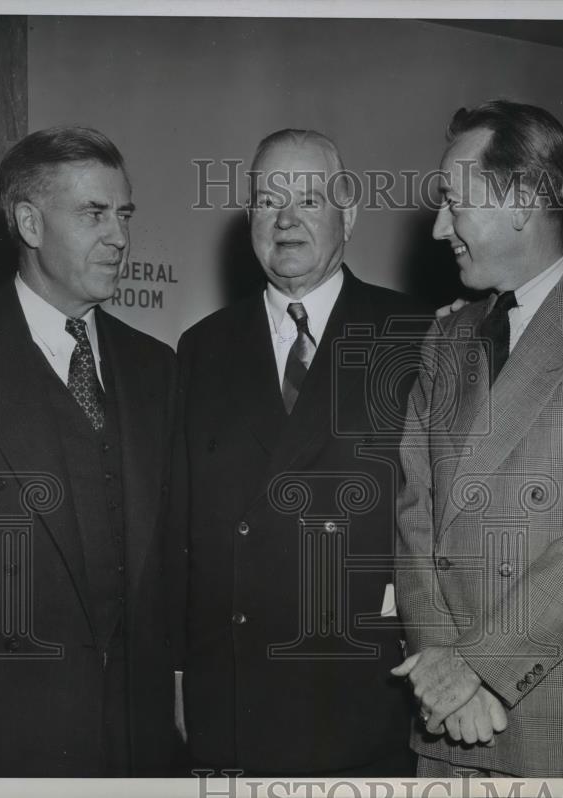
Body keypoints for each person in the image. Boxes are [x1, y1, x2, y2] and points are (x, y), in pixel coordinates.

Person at [393, 100, 563, 777]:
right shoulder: (446, 337)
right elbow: (415, 521)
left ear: (520, 202)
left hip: (560, 727)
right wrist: (443, 671)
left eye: (453, 204)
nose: (438, 229)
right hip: (447, 725)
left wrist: (479, 668)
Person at [173, 129, 427, 776]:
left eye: (308, 199)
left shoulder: (418, 336)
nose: (284, 220)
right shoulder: (203, 347)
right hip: (236, 702)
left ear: (350, 214)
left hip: (365, 699)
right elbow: (181, 533)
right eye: (266, 200)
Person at [0, 126, 177, 776]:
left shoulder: (158, 370)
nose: (120, 237)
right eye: (94, 214)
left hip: (141, 753)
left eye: (123, 214)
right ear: (30, 223)